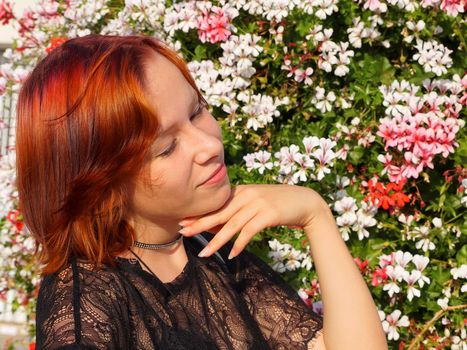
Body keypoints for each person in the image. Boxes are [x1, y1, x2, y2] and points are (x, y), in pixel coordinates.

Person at [15, 34, 387, 349]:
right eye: (166, 148)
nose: (208, 146)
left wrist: (314, 213)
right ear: (100, 184)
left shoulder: (208, 249)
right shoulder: (87, 301)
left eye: (197, 112)